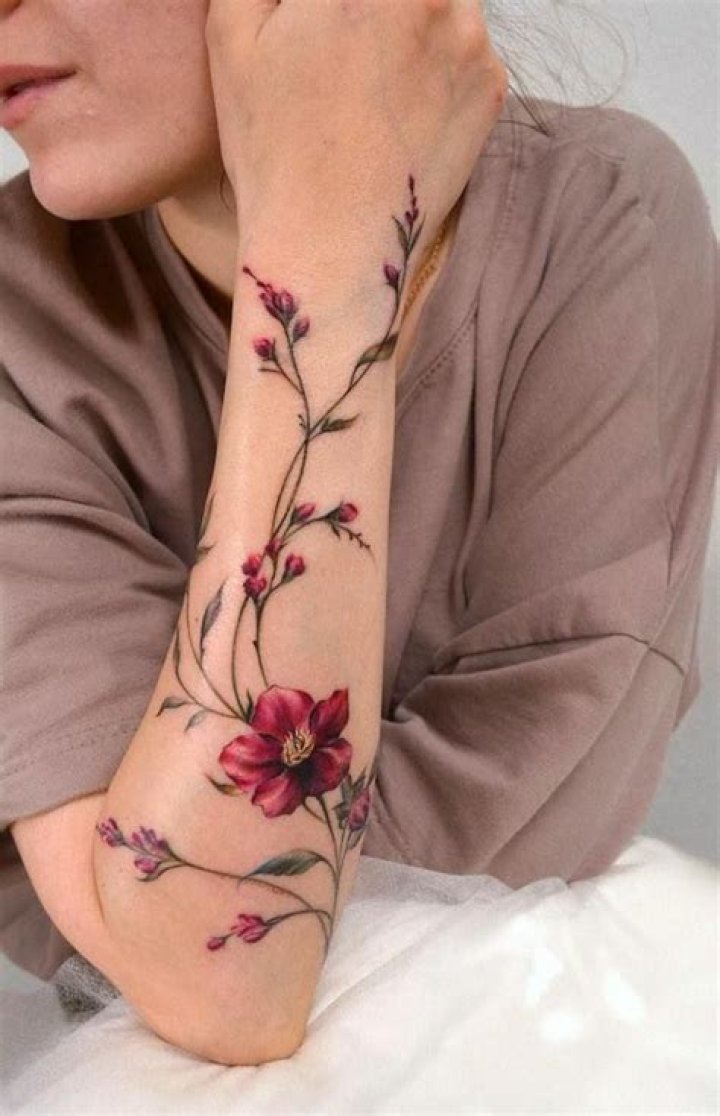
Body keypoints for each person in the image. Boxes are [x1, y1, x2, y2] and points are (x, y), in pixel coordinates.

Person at [0, 0, 716, 1052]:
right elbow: (224, 977)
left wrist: (331, 237)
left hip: (509, 1039)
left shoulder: (598, 214)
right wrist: (321, 250)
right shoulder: (16, 320)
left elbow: (211, 941)